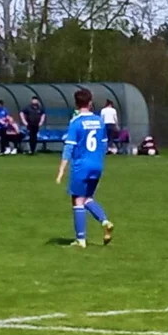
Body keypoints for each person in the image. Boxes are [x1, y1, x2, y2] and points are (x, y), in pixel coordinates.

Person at [55, 88, 114, 248]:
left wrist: (61, 169)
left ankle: (80, 240)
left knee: (77, 200)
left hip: (81, 166)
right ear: (90, 103)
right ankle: (105, 221)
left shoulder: (76, 122)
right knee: (87, 198)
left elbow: (69, 147)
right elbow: (104, 145)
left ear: (76, 104)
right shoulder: (99, 121)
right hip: (97, 165)